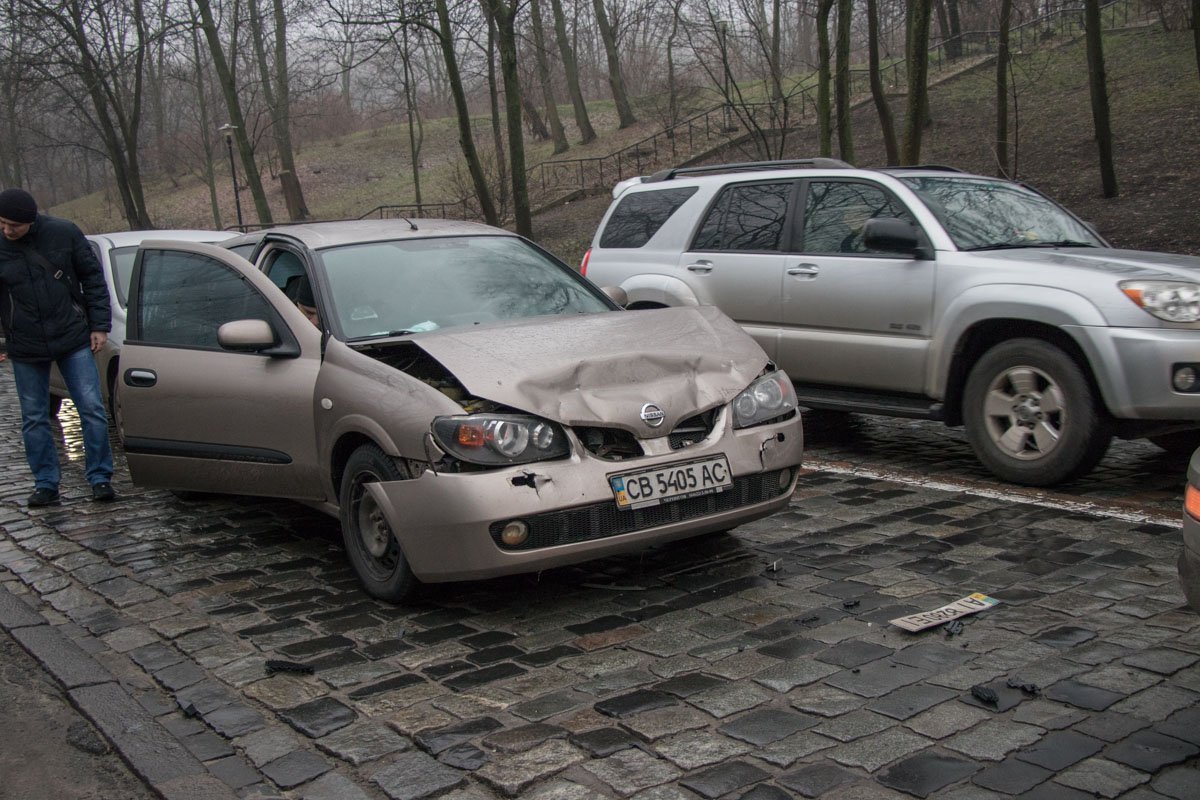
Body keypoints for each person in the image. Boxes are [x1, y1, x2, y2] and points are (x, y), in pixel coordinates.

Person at [0, 188, 116, 506]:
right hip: (24, 344)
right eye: (2, 223)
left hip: (72, 336)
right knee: (34, 416)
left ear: (31, 221)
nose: (7, 230)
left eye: (13, 225)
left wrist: (99, 326)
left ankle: (100, 478)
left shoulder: (63, 233)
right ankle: (46, 483)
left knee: (91, 408)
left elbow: (92, 279)